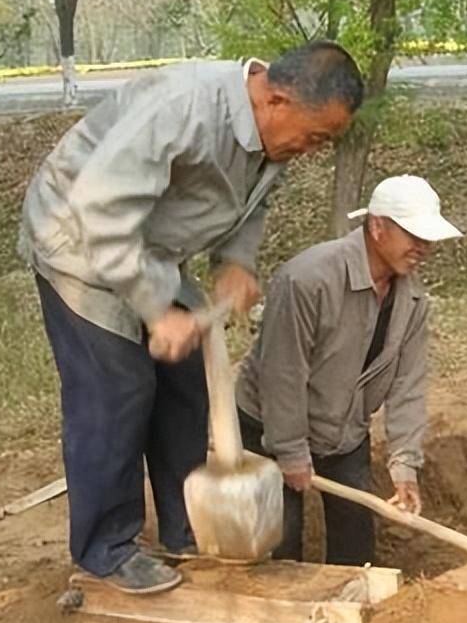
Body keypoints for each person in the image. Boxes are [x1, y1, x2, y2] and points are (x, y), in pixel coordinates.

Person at [18, 42, 364, 593]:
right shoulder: (183, 111)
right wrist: (157, 312)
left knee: (183, 387)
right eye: (316, 136)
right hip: (79, 238)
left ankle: (188, 527)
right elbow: (100, 214)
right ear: (275, 99)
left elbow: (256, 202)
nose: (314, 150)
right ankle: (105, 548)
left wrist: (236, 260)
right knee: (118, 390)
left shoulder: (272, 138)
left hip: (153, 246)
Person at [235, 175, 463, 565]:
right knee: (281, 541)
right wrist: (289, 451)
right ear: (378, 227)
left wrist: (404, 463)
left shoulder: (411, 297)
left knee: (356, 540)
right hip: (269, 427)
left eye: (428, 238)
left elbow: (409, 383)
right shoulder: (307, 279)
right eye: (414, 236)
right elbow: (282, 372)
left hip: (344, 431)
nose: (424, 248)